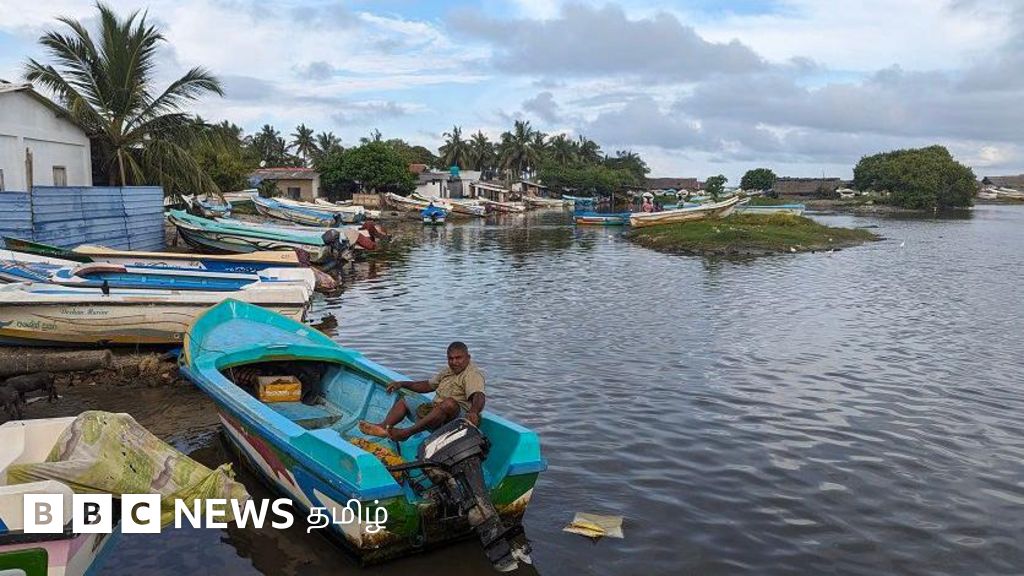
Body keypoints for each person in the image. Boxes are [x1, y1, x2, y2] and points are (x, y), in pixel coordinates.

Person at [358, 342, 486, 441]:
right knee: (405, 401)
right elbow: (427, 386)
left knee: (449, 403)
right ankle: (383, 428)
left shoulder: (472, 374)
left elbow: (478, 396)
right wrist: (402, 384)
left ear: (468, 357)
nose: (454, 362)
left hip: (457, 420)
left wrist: (474, 412)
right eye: (450, 359)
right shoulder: (448, 371)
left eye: (458, 358)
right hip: (437, 413)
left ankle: (406, 433)